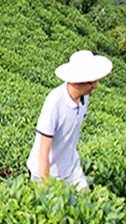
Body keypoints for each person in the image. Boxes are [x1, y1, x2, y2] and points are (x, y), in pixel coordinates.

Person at [27, 50, 113, 189]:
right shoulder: (55, 103)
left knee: (86, 203)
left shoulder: (85, 97)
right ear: (76, 82)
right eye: (91, 82)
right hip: (46, 170)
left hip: (71, 167)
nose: (95, 86)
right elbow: (43, 150)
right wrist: (46, 185)